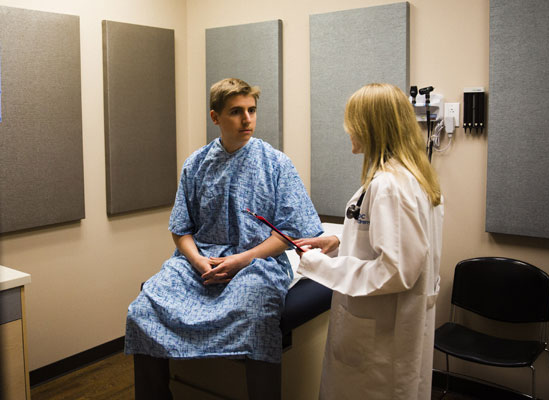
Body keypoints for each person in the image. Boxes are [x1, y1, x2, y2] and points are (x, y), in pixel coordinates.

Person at [125, 78, 322, 400]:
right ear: (215, 117)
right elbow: (181, 228)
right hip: (199, 262)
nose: (247, 119)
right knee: (142, 310)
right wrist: (198, 260)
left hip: (258, 262)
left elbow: (290, 232)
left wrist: (240, 260)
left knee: (256, 318)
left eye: (252, 110)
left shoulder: (276, 164)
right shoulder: (196, 165)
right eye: (236, 112)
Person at [295, 83, 444, 400]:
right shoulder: (413, 177)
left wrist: (321, 267)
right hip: (388, 329)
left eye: (353, 121)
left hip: (380, 342)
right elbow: (393, 243)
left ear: (371, 127)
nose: (347, 129)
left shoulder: (390, 185)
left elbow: (396, 271)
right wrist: (338, 243)